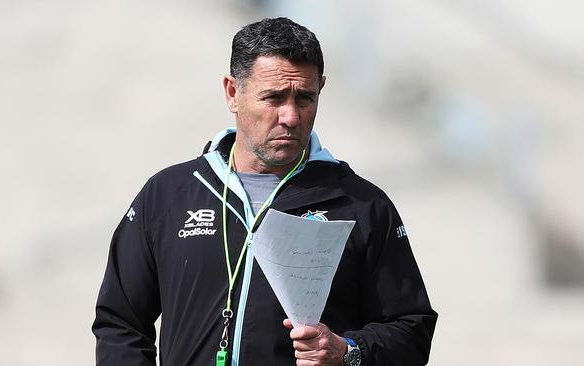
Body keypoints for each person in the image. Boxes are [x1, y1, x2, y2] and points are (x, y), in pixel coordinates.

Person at [93, 17, 437, 366]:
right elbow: (120, 322)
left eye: (305, 98)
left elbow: (412, 330)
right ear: (232, 92)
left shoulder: (360, 205)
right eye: (273, 98)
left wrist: (348, 352)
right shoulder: (168, 194)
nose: (290, 116)